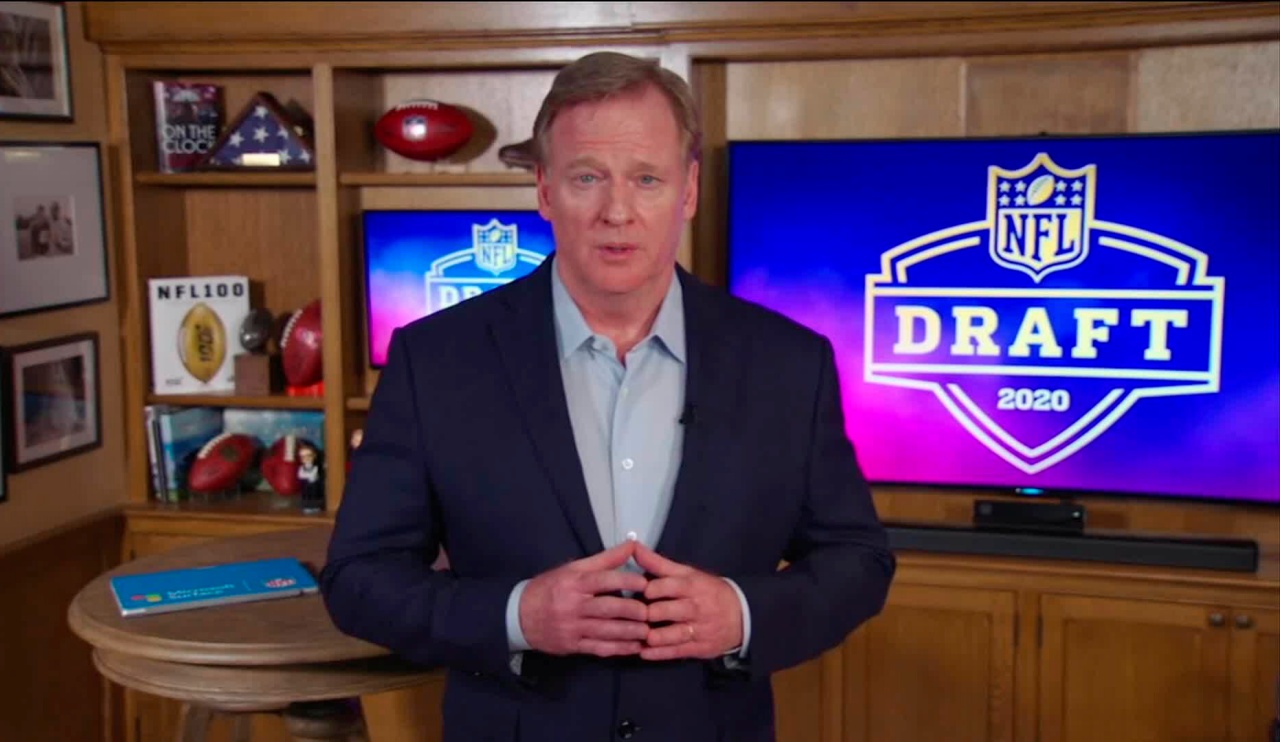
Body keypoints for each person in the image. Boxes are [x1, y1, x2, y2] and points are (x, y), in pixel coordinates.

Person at [320, 51, 895, 742]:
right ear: (544, 190)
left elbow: (857, 560)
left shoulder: (789, 363)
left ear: (688, 191)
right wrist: (516, 617)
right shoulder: (435, 360)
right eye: (587, 177)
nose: (616, 212)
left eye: (646, 179)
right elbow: (358, 579)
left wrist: (741, 614)